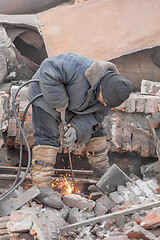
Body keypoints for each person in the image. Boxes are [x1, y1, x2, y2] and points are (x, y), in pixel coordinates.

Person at [28, 53, 132, 209]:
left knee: (95, 130)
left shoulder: (107, 99)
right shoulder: (76, 66)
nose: (104, 104)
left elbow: (93, 118)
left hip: (77, 106)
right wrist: (60, 103)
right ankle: (42, 188)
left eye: (107, 103)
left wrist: (76, 129)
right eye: (104, 100)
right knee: (48, 137)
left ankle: (102, 172)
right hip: (45, 96)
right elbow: (48, 68)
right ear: (102, 86)